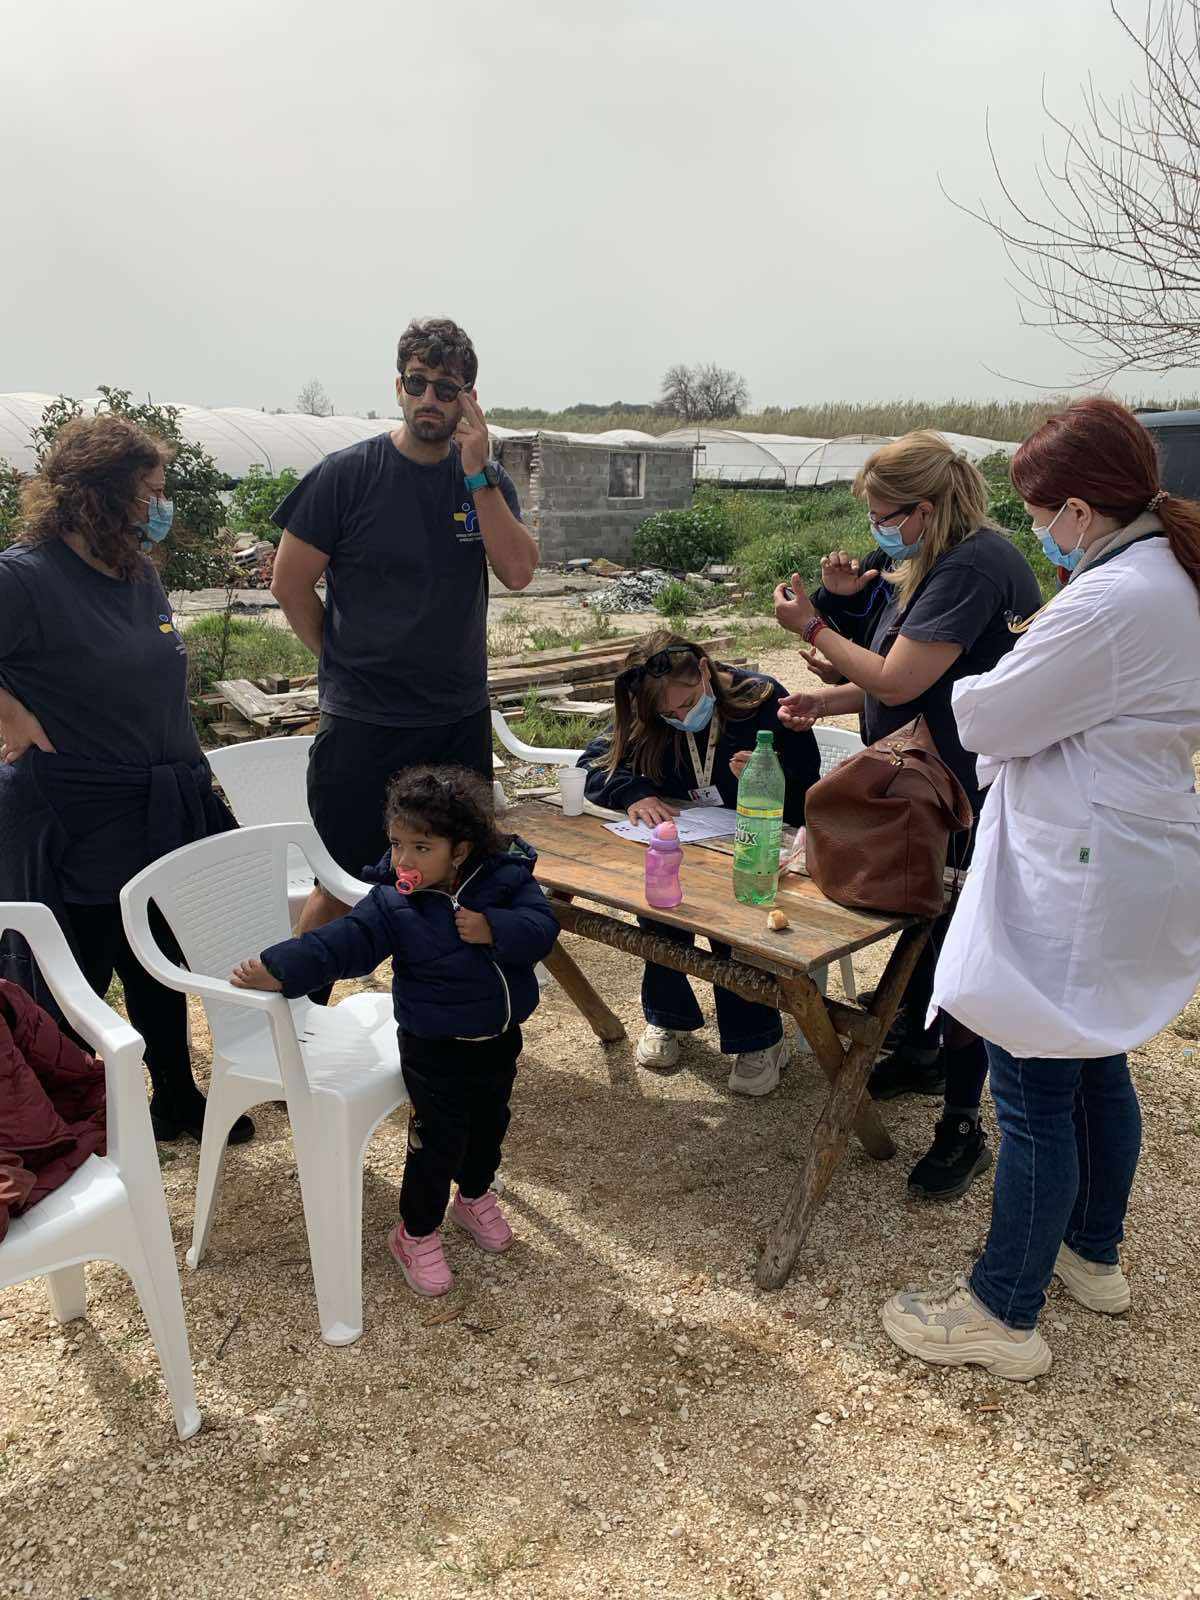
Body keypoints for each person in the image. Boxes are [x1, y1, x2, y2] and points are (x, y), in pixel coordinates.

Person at [882, 397, 1200, 1379]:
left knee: (1029, 1091)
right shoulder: (1169, 574)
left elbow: (988, 716)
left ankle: (1001, 1311)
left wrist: (983, 687)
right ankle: (1092, 1254)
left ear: (1077, 510)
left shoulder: (1110, 599)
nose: (1038, 533)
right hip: (1130, 850)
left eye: (1040, 515)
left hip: (1080, 871)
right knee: (1096, 1062)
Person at [773, 431, 1042, 1198]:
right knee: (925, 928)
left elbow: (897, 679)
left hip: (963, 790)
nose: (877, 530)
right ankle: (923, 1056)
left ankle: (963, 1124)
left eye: (885, 515)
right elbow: (909, 678)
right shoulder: (933, 561)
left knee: (962, 951)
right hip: (927, 782)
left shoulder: (973, 567)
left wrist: (813, 628)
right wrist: (829, 698)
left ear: (925, 509)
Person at [0, 414, 251, 1144]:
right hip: (77, 812)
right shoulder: (25, 576)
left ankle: (174, 1095)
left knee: (155, 951)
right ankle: (74, 1113)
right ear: (97, 495)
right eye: (150, 492)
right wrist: (9, 712)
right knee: (78, 970)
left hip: (158, 806)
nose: (160, 507)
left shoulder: (136, 572)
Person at [230, 764, 559, 1299]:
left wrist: (494, 928)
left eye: (422, 848)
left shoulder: (507, 879)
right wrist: (281, 967)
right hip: (432, 1045)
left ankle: (474, 1196)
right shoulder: (393, 902)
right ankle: (416, 1233)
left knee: (489, 1125)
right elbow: (344, 941)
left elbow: (543, 928)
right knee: (437, 1142)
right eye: (397, 844)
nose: (404, 860)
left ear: (460, 849)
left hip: (498, 1038)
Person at [269, 316, 539, 956]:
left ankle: (433, 1008)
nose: (429, 399)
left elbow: (519, 571)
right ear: (398, 387)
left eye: (446, 389)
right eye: (417, 383)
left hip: (454, 722)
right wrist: (339, 660)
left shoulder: (483, 481)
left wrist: (478, 474)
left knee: (456, 884)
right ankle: (298, 1006)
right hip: (364, 726)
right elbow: (289, 583)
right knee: (342, 885)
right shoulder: (347, 475)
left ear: (469, 400)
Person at [580, 633, 821, 1096]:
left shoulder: (764, 700)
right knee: (658, 907)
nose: (680, 717)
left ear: (706, 671)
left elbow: (812, 793)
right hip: (686, 842)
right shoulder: (648, 711)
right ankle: (666, 1016)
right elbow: (594, 764)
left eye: (688, 703)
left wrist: (768, 778)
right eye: (668, 714)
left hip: (756, 847)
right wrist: (634, 793)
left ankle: (759, 1039)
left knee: (734, 922)